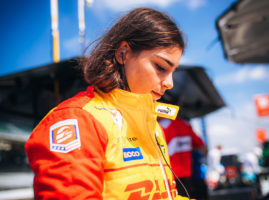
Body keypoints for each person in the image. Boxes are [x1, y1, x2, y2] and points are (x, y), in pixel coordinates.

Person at [25, 7, 189, 199]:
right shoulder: (79, 119)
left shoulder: (153, 125)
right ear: (123, 53)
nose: (170, 83)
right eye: (161, 67)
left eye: (173, 72)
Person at [159, 117, 207, 199]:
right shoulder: (185, 125)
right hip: (188, 176)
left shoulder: (160, 126)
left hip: (171, 178)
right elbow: (203, 148)